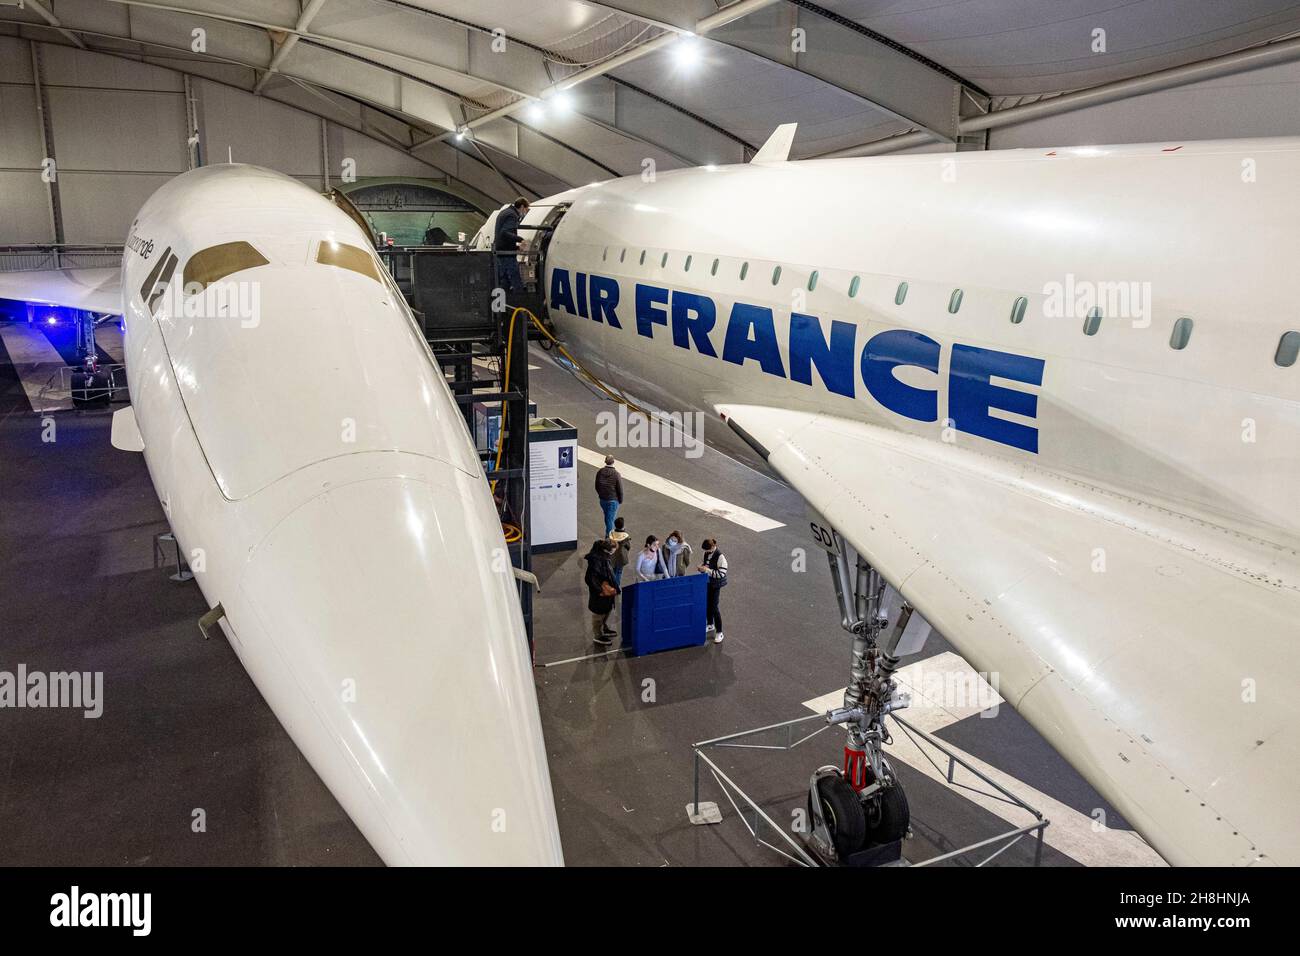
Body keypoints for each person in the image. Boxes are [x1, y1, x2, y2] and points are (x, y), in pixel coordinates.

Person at [583, 538, 620, 646]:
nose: (614, 553)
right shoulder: (597, 561)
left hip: (606, 594)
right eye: (613, 551)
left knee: (606, 611)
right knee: (598, 616)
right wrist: (600, 591)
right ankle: (598, 636)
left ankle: (604, 629)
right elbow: (589, 578)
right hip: (599, 595)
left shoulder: (603, 557)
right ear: (608, 550)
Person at [493, 197, 530, 293]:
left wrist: (516, 247)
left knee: (504, 279)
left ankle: (505, 302)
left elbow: (502, 235)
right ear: (522, 207)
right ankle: (520, 302)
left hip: (501, 251)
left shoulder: (505, 212)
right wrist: (521, 240)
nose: (526, 212)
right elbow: (505, 232)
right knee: (515, 278)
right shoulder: (512, 215)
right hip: (507, 253)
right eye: (526, 209)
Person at [698, 538, 728, 643]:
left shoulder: (720, 557)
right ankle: (710, 624)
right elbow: (705, 563)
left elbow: (721, 573)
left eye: (706, 550)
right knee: (707, 604)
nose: (705, 552)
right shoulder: (707, 553)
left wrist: (708, 570)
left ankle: (720, 632)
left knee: (714, 607)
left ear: (712, 547)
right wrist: (702, 567)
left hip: (715, 585)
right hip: (708, 582)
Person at [594, 455, 623, 537]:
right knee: (610, 519)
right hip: (613, 500)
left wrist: (601, 494)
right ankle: (609, 538)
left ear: (605, 462)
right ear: (613, 462)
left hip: (603, 500)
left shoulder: (600, 472)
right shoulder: (616, 474)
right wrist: (620, 500)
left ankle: (609, 534)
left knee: (607, 517)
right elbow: (620, 489)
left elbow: (596, 486)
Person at [609, 517, 631, 587]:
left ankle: (612, 584)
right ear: (623, 526)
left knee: (613, 570)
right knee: (619, 572)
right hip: (621, 557)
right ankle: (616, 586)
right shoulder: (625, 536)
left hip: (612, 555)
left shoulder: (611, 533)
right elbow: (628, 547)